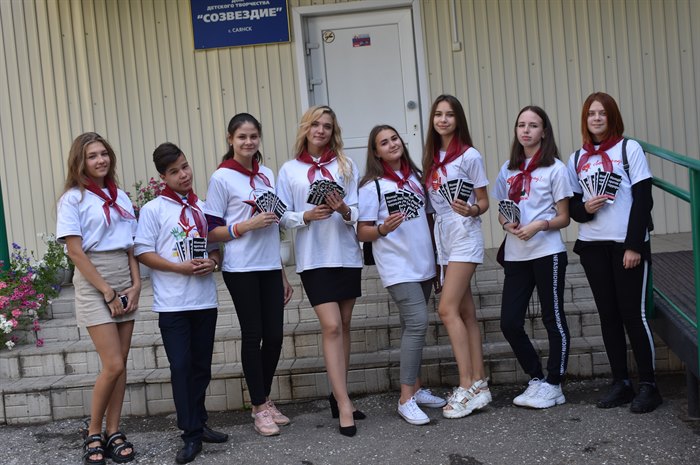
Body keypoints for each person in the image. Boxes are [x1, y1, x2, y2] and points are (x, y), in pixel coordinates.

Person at [134, 143, 228, 463]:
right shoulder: (154, 210)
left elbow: (214, 246)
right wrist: (179, 268)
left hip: (204, 300)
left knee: (201, 367)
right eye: (174, 171)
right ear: (163, 177)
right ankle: (189, 434)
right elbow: (143, 252)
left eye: (185, 166)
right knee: (181, 367)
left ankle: (199, 423)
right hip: (173, 303)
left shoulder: (203, 207)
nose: (184, 175)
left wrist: (212, 263)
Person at [567, 92, 660, 413]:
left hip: (626, 245)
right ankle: (621, 382)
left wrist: (634, 245)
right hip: (593, 245)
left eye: (602, 113)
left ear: (612, 117)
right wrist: (586, 208)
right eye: (591, 113)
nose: (596, 118)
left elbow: (643, 199)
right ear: (585, 119)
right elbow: (573, 208)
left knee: (633, 315)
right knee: (608, 316)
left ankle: (649, 385)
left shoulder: (628, 149)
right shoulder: (577, 158)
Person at [203, 113, 294, 436]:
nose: (248, 142)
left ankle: (263, 400)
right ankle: (258, 406)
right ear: (230, 139)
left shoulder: (267, 174)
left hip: (269, 265)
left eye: (253, 136)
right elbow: (211, 231)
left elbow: (274, 225)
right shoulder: (222, 178)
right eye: (241, 137)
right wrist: (246, 225)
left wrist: (282, 273)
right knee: (253, 334)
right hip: (241, 268)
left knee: (275, 337)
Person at [277, 105, 364, 437]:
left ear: (333, 131)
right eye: (315, 124)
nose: (321, 130)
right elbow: (282, 215)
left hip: (346, 254)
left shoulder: (345, 165)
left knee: (344, 325)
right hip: (314, 257)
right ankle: (344, 405)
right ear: (306, 128)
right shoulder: (290, 170)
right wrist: (306, 216)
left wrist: (345, 210)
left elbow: (360, 209)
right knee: (331, 327)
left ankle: (338, 394)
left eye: (327, 126)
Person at [56, 132, 140, 465]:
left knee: (122, 363)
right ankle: (93, 432)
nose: (100, 160)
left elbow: (131, 246)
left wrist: (136, 285)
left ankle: (114, 431)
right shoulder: (72, 199)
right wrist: (106, 290)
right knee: (113, 363)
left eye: (104, 153)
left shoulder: (120, 196)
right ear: (80, 161)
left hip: (124, 274)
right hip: (94, 279)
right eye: (92, 156)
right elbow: (75, 251)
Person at [357, 125, 446, 425]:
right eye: (384, 142)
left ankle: (416, 389)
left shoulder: (417, 178)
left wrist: (437, 261)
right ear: (376, 151)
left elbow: (430, 220)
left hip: (423, 262)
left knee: (411, 325)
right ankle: (406, 398)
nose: (392, 144)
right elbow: (363, 232)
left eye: (394, 138)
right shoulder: (373, 187)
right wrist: (383, 228)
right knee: (419, 323)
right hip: (397, 266)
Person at [494, 106, 572, 409]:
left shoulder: (555, 169)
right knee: (509, 322)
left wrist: (540, 225)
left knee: (553, 317)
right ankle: (536, 377)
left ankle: (555, 383)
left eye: (533, 125)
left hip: (547, 252)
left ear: (544, 132)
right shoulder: (508, 169)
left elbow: (564, 217)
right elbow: (502, 210)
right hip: (516, 254)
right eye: (521, 125)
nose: (526, 130)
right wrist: (507, 225)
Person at [421, 94, 492, 419]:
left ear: (458, 119)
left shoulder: (469, 155)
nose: (443, 119)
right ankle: (479, 383)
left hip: (464, 232)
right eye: (438, 114)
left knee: (446, 309)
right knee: (465, 312)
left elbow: (483, 201)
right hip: (443, 236)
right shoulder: (431, 157)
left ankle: (465, 386)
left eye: (449, 114)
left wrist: (472, 209)